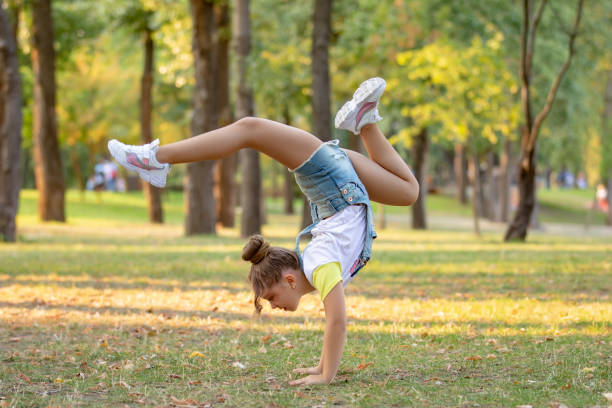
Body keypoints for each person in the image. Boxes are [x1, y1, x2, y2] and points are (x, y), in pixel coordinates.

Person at [107, 77, 419, 386]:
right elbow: (336, 322)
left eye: (269, 296)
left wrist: (326, 376)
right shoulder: (321, 267)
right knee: (407, 192)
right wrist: (322, 369)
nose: (272, 306)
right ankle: (364, 122)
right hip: (340, 183)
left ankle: (155, 159)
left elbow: (335, 322)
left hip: (332, 180)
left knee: (250, 129)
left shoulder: (320, 264)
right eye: (269, 299)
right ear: (291, 279)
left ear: (290, 279)